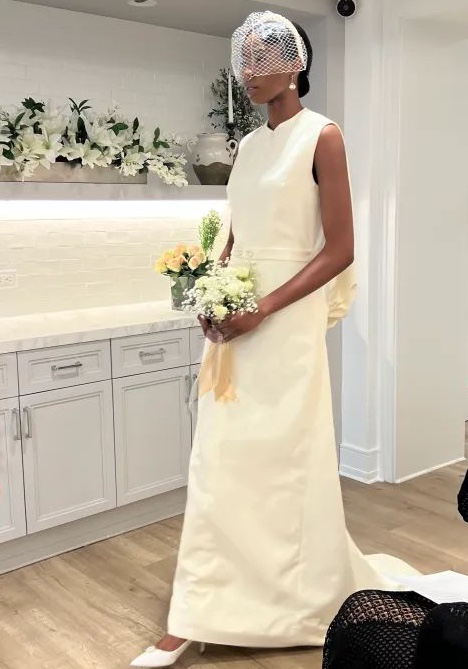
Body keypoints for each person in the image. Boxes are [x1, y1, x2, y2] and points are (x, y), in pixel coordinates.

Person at [130, 11, 417, 667]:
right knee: (218, 461)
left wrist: (265, 307)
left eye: (262, 59)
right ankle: (198, 609)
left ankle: (294, 598)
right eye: (244, 59)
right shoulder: (249, 146)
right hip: (234, 321)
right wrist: (211, 295)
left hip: (285, 323)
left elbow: (340, 248)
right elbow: (237, 234)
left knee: (283, 463)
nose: (248, 72)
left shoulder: (324, 137)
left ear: (295, 64)